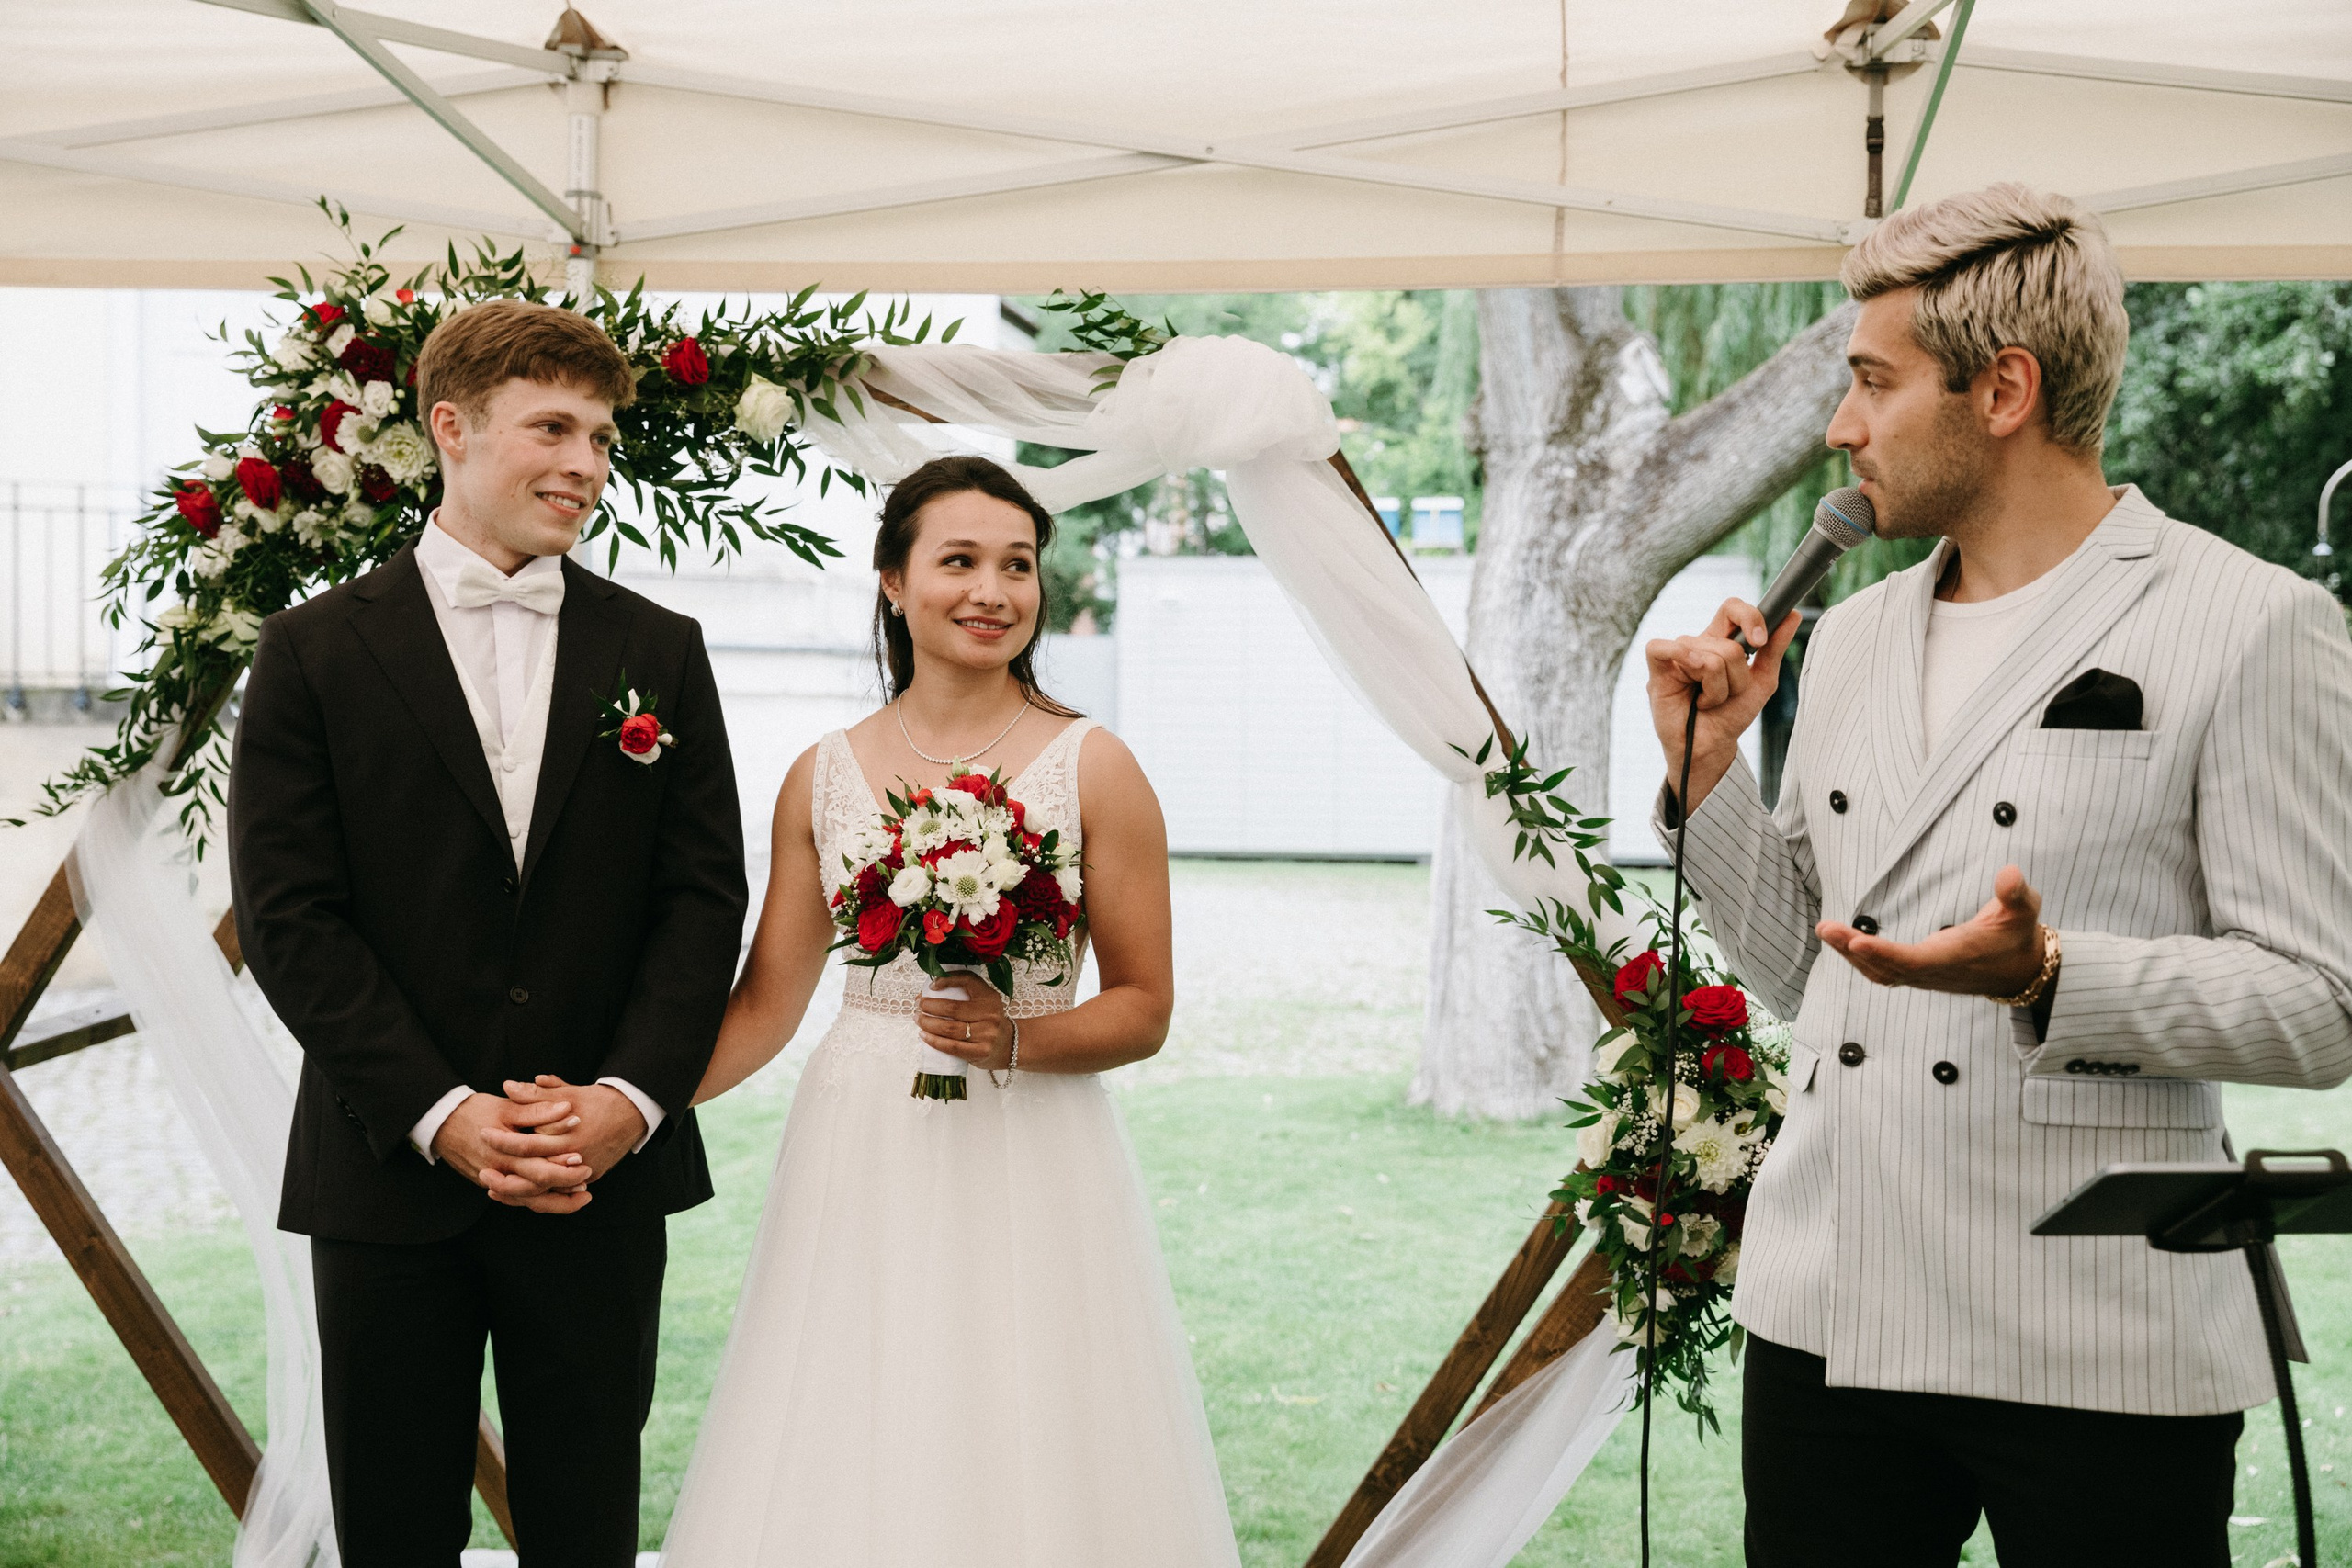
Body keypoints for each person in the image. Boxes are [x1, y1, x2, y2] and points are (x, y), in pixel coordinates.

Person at [1645, 184, 2352, 1567]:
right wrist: (1710, 769)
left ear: (2005, 389)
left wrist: (2051, 973)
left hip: (2100, 1328)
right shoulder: (1843, 645)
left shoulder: (2253, 622)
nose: (1840, 429)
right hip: (1832, 1310)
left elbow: (2324, 1002)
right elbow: (1809, 971)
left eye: (1870, 381)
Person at [229, 299, 748, 1564]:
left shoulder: (659, 650)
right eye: (554, 427)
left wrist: (628, 1099)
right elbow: (292, 916)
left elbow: (703, 898)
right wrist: (440, 1110)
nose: (586, 462)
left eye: (604, 437)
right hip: (387, 1165)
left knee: (589, 1521)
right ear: (450, 428)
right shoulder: (311, 653)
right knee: (394, 1523)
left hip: (596, 1172)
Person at [651, 455, 1240, 1567]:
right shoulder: (820, 774)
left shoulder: (1095, 766)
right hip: (861, 1130)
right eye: (958, 561)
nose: (992, 591)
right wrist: (631, 1104)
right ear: (891, 581)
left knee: (1028, 1404)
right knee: (852, 1398)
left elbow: (1145, 1007)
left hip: (1030, 1132)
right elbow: (771, 1003)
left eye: (1016, 565)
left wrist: (1018, 1035)